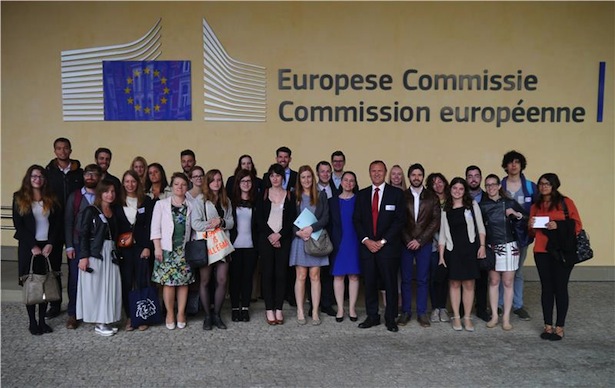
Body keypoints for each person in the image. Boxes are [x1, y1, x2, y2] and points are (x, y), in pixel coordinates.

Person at [353, 160, 407, 332]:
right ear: (369, 173)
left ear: (385, 173)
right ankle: (372, 316)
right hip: (367, 248)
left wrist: (382, 241)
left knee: (390, 284)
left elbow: (400, 221)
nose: (376, 173)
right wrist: (367, 241)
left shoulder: (396, 194)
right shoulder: (362, 195)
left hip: (388, 248)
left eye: (380, 171)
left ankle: (390, 318)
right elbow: (357, 220)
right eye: (373, 171)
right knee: (369, 283)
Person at [529, 173, 582, 341]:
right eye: (541, 184)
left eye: (547, 184)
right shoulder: (536, 205)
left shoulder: (566, 202)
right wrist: (529, 225)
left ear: (554, 185)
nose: (544, 186)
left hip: (562, 252)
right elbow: (532, 233)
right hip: (541, 251)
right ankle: (547, 325)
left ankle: (560, 326)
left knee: (560, 287)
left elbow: (577, 225)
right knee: (546, 288)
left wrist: (557, 225)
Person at [13, 165, 62, 335]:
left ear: (45, 179)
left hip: (47, 247)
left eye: (41, 176)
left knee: (45, 284)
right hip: (29, 248)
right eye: (34, 176)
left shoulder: (51, 198)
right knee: (31, 284)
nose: (37, 179)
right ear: (29, 178)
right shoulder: (19, 197)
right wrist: (33, 246)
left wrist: (50, 243)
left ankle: (42, 320)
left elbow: (56, 224)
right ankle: (32, 322)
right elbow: (18, 226)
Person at [479, 174, 527, 331]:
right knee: (493, 281)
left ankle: (506, 317)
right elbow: (479, 227)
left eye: (493, 184)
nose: (491, 187)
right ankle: (494, 315)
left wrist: (516, 213)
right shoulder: (482, 205)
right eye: (487, 185)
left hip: (509, 246)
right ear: (485, 188)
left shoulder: (509, 202)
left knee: (508, 282)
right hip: (492, 246)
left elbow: (525, 218)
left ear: (500, 186)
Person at [438, 177, 486, 332]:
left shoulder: (471, 205)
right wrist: (441, 255)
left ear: (464, 191)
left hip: (470, 250)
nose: (457, 191)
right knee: (454, 284)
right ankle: (457, 317)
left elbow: (480, 228)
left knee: (469, 284)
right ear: (450, 190)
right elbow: (443, 234)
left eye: (460, 189)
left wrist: (482, 246)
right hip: (453, 251)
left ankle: (467, 317)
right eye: (454, 188)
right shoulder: (446, 208)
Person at [76, 180, 122, 336]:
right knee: (97, 288)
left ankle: (107, 318)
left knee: (110, 286)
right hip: (96, 252)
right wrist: (84, 256)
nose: (110, 195)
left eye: (113, 192)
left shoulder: (114, 211)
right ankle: (99, 322)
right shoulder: (91, 211)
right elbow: (83, 234)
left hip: (111, 252)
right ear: (100, 193)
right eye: (106, 191)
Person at [45, 137, 84, 318]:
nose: (62, 151)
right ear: (55, 151)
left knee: (74, 267)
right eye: (59, 148)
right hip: (53, 227)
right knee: (53, 268)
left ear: (70, 150)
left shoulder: (79, 173)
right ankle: (55, 303)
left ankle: (74, 304)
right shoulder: (48, 173)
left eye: (66, 148)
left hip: (74, 227)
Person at [151, 173, 195, 330]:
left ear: (187, 187)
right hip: (167, 250)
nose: (180, 187)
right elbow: (155, 228)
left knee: (184, 283)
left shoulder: (192, 205)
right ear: (172, 186)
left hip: (184, 250)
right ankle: (170, 313)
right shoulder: (161, 205)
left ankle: (181, 313)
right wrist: (157, 247)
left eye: (183, 184)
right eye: (176, 184)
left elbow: (194, 228)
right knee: (168, 284)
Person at [190, 169, 234, 330]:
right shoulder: (200, 200)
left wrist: (221, 221)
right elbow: (195, 224)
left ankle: (217, 314)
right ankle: (208, 316)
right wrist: (212, 224)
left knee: (222, 279)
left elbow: (231, 222)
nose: (217, 183)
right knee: (206, 280)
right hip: (206, 245)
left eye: (219, 180)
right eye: (213, 180)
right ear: (208, 182)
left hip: (222, 245)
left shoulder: (226, 200)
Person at [398, 163, 441, 328]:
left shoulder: (432, 196)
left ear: (423, 177)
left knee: (423, 279)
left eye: (419, 175)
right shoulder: (402, 196)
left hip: (424, 243)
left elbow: (435, 221)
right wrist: (408, 239)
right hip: (405, 243)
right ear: (409, 177)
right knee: (406, 279)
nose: (416, 178)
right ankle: (406, 312)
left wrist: (420, 240)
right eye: (413, 175)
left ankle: (422, 313)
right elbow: (399, 220)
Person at [255, 163, 296, 325]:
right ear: (269, 178)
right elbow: (259, 219)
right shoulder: (263, 194)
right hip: (266, 239)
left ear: (282, 177)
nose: (275, 178)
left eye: (278, 175)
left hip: (283, 240)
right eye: (272, 175)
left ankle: (279, 309)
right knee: (267, 274)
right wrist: (271, 235)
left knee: (281, 274)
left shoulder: (289, 195)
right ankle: (269, 309)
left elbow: (291, 219)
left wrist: (279, 235)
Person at [114, 170, 155, 331]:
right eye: (127, 181)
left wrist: (147, 246)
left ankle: (143, 316)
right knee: (126, 283)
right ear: (123, 183)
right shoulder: (117, 202)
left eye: (133, 181)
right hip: (124, 249)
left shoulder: (146, 201)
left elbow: (151, 226)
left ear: (138, 183)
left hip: (141, 247)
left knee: (142, 281)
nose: (130, 184)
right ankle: (130, 317)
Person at [500, 150, 538, 321]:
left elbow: (538, 210)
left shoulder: (531, 187)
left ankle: (518, 305)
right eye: (510, 162)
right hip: (502, 234)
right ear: (506, 166)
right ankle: (500, 304)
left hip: (522, 234)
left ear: (522, 165)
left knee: (518, 270)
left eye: (517, 162)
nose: (513, 165)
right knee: (501, 269)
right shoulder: (499, 186)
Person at [64, 164, 103, 329]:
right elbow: (68, 222)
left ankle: (93, 311)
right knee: (75, 280)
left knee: (96, 279)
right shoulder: (76, 197)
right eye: (88, 174)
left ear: (100, 177)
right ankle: (73, 314)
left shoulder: (104, 195)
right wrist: (69, 246)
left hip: (98, 244)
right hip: (78, 244)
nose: (90, 177)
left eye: (94, 174)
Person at [290, 165, 330, 325]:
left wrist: (311, 228)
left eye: (309, 177)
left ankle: (314, 311)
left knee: (315, 276)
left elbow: (326, 218)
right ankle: (300, 310)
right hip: (300, 240)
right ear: (299, 180)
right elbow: (289, 218)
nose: (306, 180)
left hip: (316, 239)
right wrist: (298, 232)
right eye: (303, 177)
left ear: (313, 179)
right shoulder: (294, 196)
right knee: (301, 276)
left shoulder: (321, 195)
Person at [329, 171, 360, 322]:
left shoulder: (360, 200)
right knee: (339, 275)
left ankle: (352, 308)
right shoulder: (332, 201)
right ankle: (341, 308)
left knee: (353, 276)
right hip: (338, 242)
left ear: (354, 183)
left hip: (354, 241)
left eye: (351, 181)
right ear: (341, 182)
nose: (348, 183)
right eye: (346, 180)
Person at [229, 169, 259, 322]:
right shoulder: (231, 202)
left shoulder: (256, 202)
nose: (246, 184)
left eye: (248, 181)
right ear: (238, 184)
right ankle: (235, 308)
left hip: (251, 246)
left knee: (247, 278)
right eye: (243, 181)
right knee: (235, 278)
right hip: (234, 246)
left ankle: (245, 308)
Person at [425, 173, 451, 323]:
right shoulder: (429, 201)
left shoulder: (451, 200)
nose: (438, 185)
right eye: (434, 183)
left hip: (450, 245)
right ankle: (435, 307)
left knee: (447, 277)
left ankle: (443, 307)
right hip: (434, 245)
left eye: (440, 181)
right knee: (434, 276)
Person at [465, 165, 489, 322]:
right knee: (464, 276)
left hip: (483, 241)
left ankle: (481, 308)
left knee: (482, 276)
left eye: (476, 176)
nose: (473, 179)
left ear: (481, 178)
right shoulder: (460, 196)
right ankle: (462, 308)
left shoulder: (488, 197)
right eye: (470, 176)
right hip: (465, 242)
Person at [314, 160, 337, 317]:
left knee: (328, 270)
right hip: (314, 233)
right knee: (314, 271)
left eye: (328, 171)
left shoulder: (336, 190)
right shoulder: (311, 190)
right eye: (322, 171)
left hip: (332, 233)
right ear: (317, 173)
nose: (325, 174)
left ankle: (327, 303)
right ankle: (313, 304)